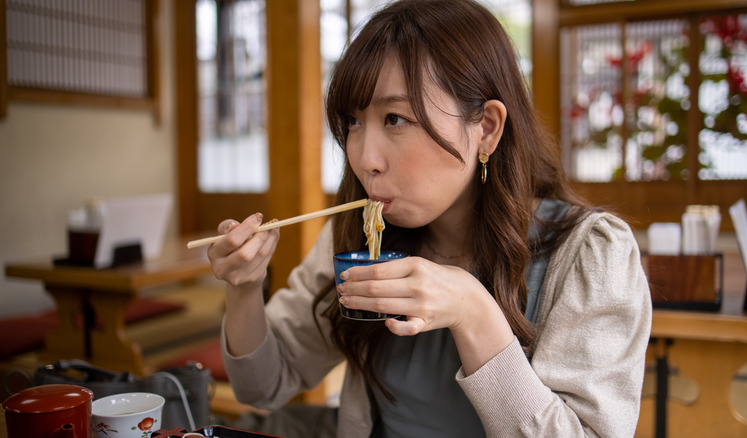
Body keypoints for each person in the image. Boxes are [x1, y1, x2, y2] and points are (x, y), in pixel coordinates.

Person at [206, 0, 652, 436]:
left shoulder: (590, 256)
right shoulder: (361, 242)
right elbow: (261, 385)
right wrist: (245, 289)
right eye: (353, 122)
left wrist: (473, 312)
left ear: (488, 128)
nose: (365, 159)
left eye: (395, 118)